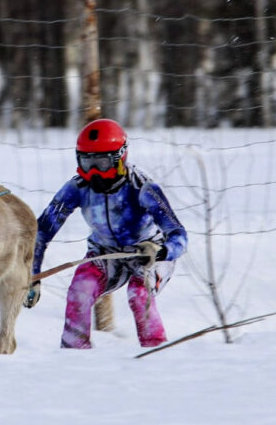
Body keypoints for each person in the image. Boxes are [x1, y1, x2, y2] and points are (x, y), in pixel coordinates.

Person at [26, 118, 187, 348]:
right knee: (80, 289)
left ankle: (156, 352)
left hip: (148, 254)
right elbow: (41, 233)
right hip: (106, 253)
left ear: (120, 158)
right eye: (86, 163)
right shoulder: (77, 187)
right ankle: (73, 357)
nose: (94, 173)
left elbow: (179, 235)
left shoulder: (142, 188)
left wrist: (160, 251)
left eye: (101, 163)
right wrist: (31, 275)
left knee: (139, 294)